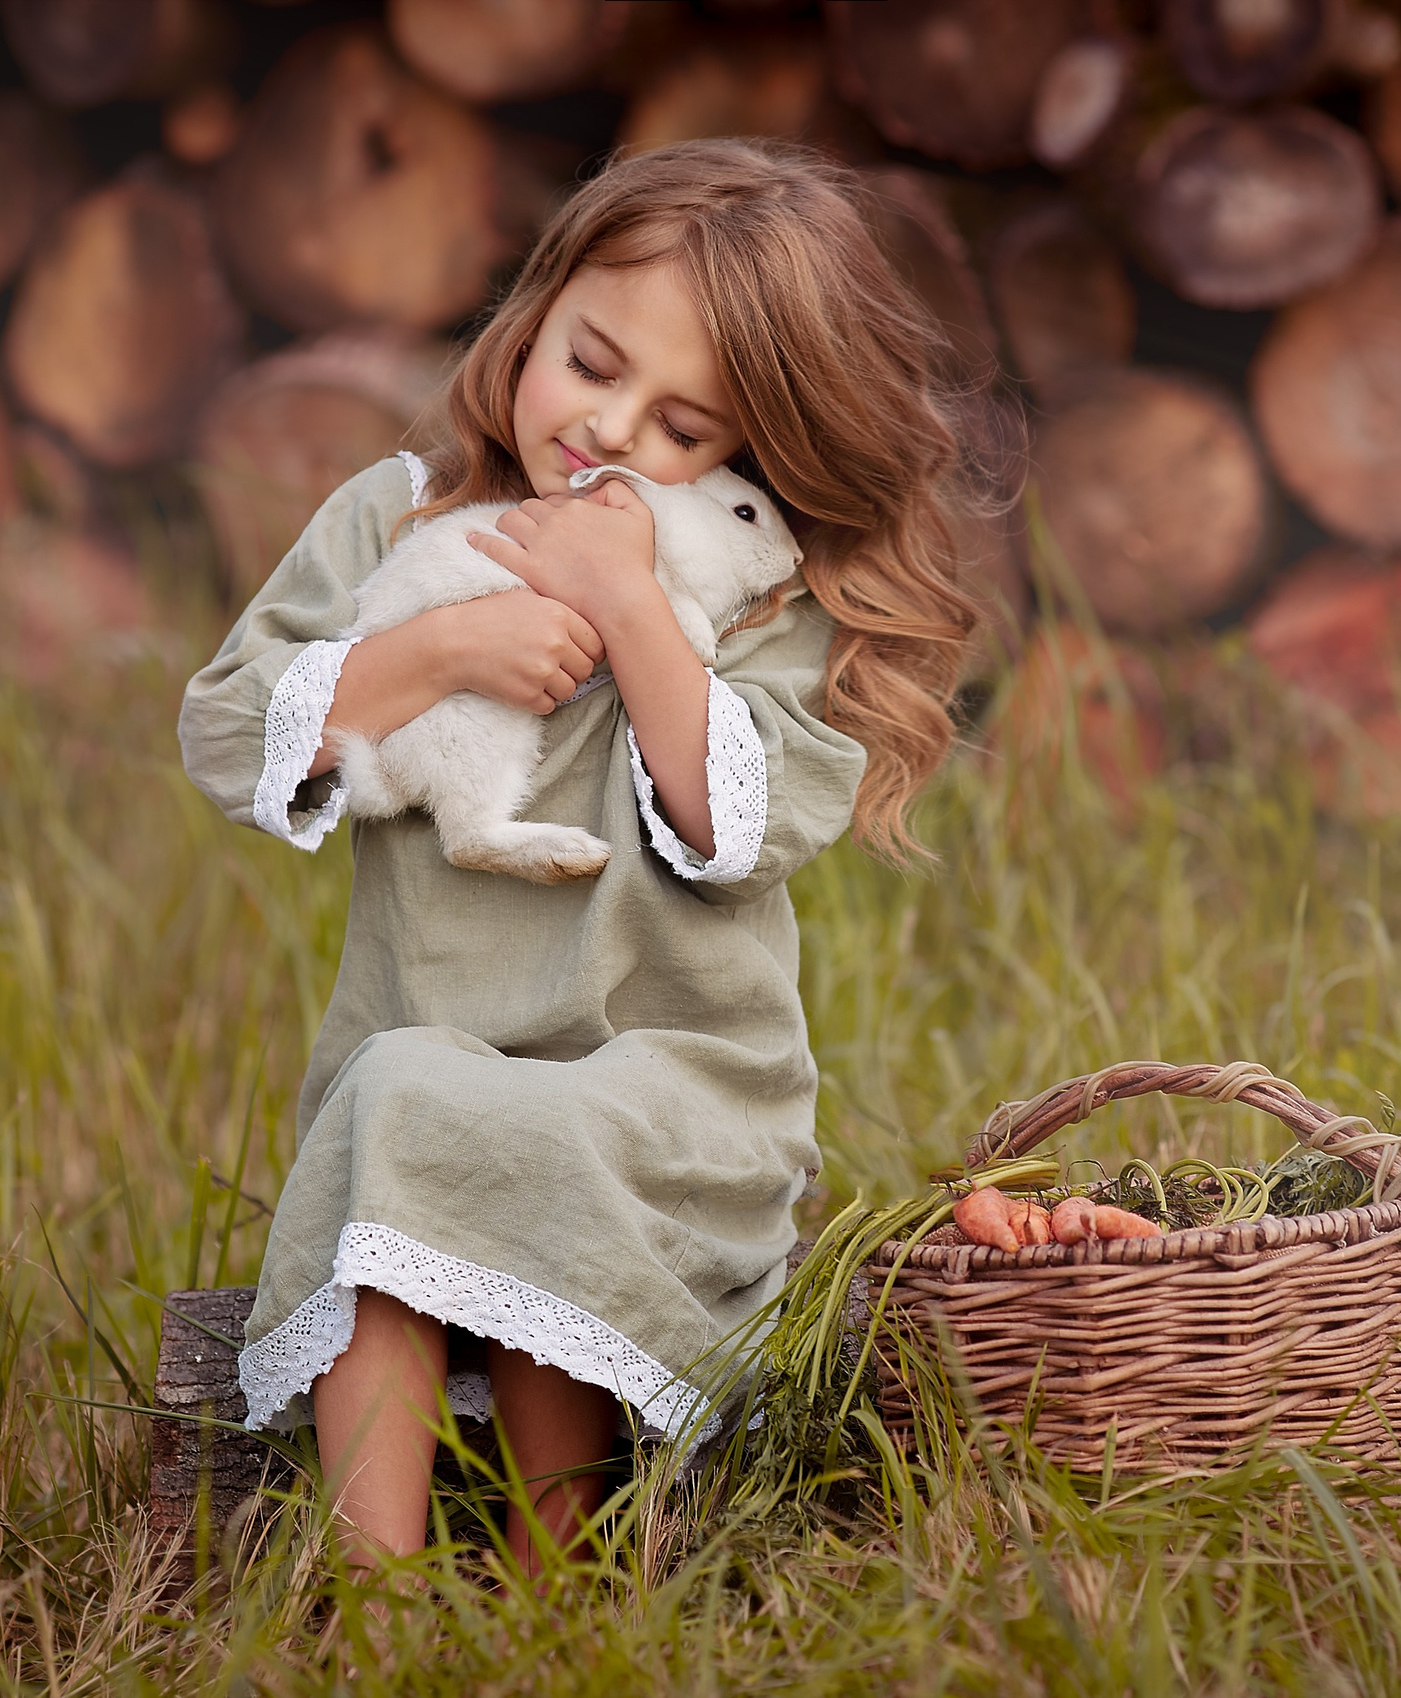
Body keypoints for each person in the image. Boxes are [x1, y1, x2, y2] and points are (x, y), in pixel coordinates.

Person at [178, 139, 991, 1579]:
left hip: (671, 1080)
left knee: (549, 1125)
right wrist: (431, 648)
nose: (612, 432)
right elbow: (236, 733)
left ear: (746, 461)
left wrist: (630, 604)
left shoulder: (752, 598)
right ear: (535, 309)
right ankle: (376, 1594)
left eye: (684, 429)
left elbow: (736, 827)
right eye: (590, 363)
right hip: (431, 1041)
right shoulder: (396, 520)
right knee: (409, 1094)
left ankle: (567, 1568)